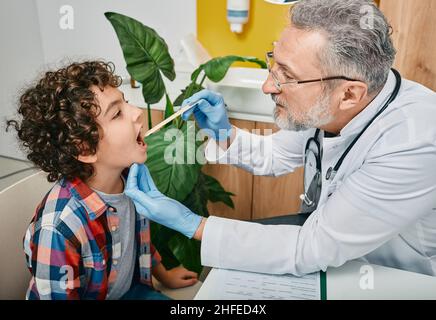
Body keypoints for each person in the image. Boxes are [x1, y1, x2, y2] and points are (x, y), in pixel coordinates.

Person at [125, 0, 436, 278]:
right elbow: (275, 154)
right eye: (274, 62)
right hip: (341, 264)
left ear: (349, 94)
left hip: (398, 277)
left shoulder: (414, 142)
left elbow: (313, 246)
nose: (268, 87)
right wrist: (224, 133)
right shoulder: (331, 102)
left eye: (287, 76)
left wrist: (191, 224)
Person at [6, 61, 198, 300]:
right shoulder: (58, 228)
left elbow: (137, 240)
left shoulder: (130, 179)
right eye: (117, 113)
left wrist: (164, 274)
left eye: (125, 101)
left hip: (133, 292)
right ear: (86, 149)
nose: (136, 111)